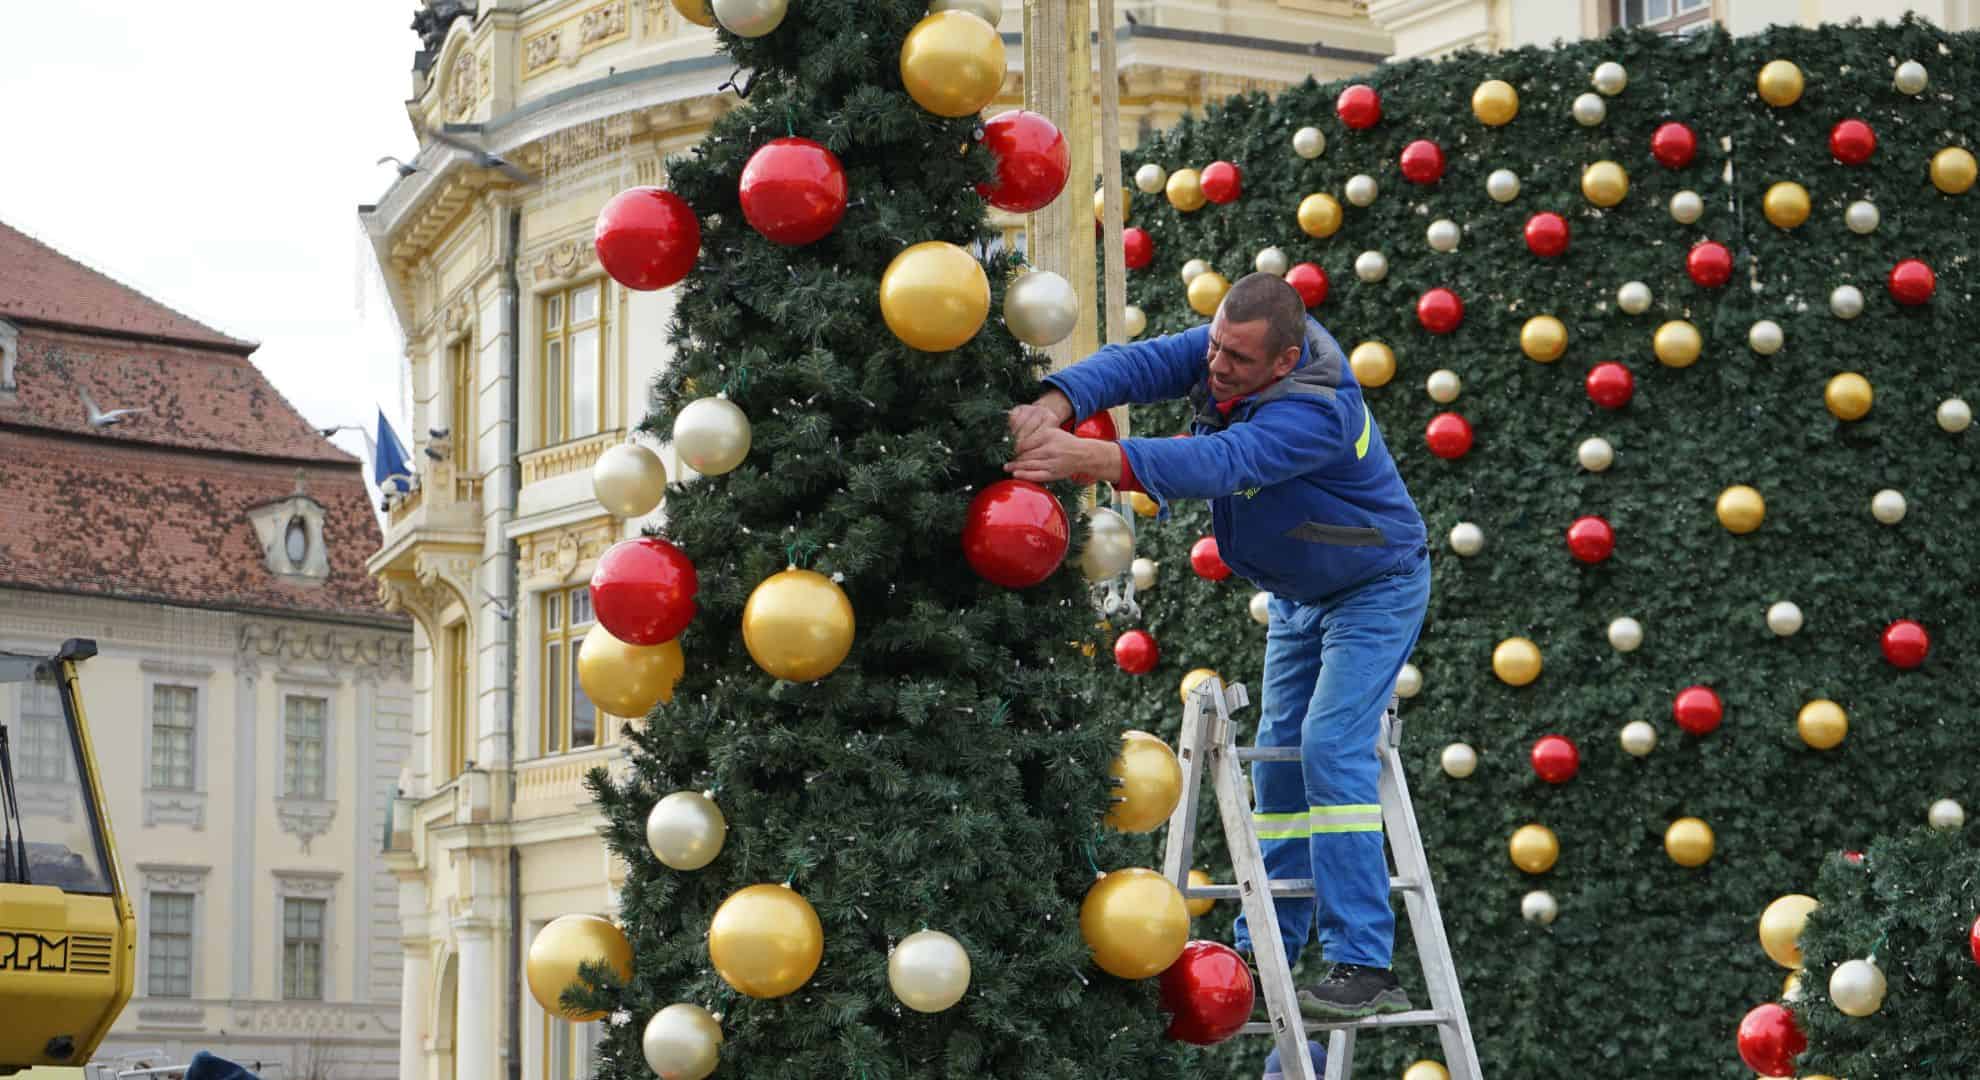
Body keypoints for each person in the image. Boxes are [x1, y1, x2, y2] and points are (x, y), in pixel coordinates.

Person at [1005, 272, 1430, 1022]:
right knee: (1278, 767)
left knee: (1329, 746)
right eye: (1217, 346)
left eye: (1237, 359)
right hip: (1304, 592)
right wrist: (1055, 401)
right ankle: (1270, 952)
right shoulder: (1228, 348)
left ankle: (1365, 964)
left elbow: (1218, 464)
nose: (1216, 366)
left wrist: (1084, 458)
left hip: (1375, 585)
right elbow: (1139, 364)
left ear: (1284, 359)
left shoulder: (1317, 410)